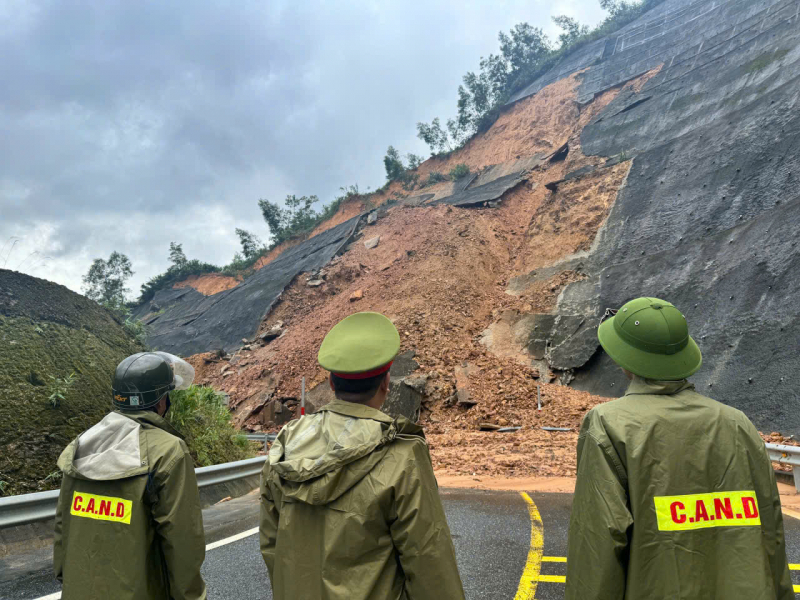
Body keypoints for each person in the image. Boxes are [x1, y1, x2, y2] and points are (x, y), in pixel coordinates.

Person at [565, 297, 793, 599]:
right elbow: (770, 531)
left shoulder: (609, 425)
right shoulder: (737, 423)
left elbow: (597, 548)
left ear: (624, 358)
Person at [259, 311, 465, 600]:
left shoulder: (287, 443)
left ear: (331, 383)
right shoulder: (401, 454)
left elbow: (272, 545)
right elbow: (429, 561)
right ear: (386, 383)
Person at [54, 352, 207, 600]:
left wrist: (67, 577)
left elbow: (63, 522)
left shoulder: (83, 444)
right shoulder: (168, 450)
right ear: (161, 401)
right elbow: (182, 542)